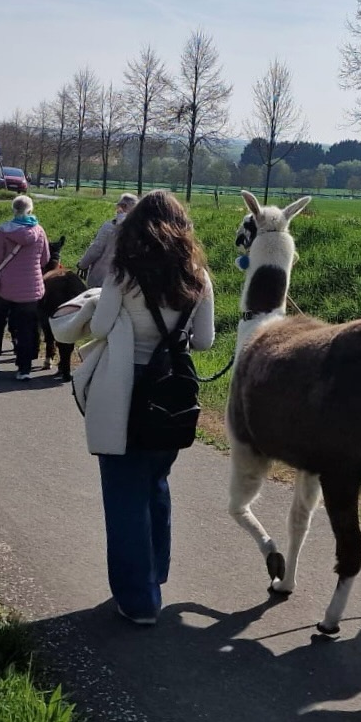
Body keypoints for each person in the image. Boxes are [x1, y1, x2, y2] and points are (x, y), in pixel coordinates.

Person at [84, 189, 215, 625]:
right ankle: (153, 576)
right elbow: (204, 341)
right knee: (156, 486)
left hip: (126, 386)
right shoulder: (197, 275)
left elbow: (100, 326)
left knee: (124, 494)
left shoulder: (124, 273)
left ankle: (139, 600)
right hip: (173, 392)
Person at [0, 194, 50, 379]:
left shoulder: (3, 232)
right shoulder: (39, 231)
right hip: (31, 288)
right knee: (25, 328)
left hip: (4, 287)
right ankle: (24, 369)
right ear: (30, 209)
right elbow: (45, 259)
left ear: (13, 210)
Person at [78, 193, 137, 285]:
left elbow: (96, 249)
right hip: (127, 283)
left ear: (122, 207)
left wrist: (82, 265)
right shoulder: (140, 230)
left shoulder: (109, 227)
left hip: (101, 279)